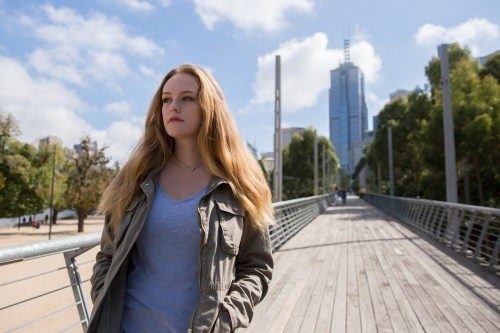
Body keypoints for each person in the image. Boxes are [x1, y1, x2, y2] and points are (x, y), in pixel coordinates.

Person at [88, 64, 274, 333]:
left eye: (187, 98)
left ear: (210, 108)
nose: (173, 106)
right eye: (166, 99)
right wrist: (106, 310)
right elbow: (107, 257)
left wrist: (225, 320)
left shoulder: (240, 184)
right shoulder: (135, 178)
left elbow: (256, 268)